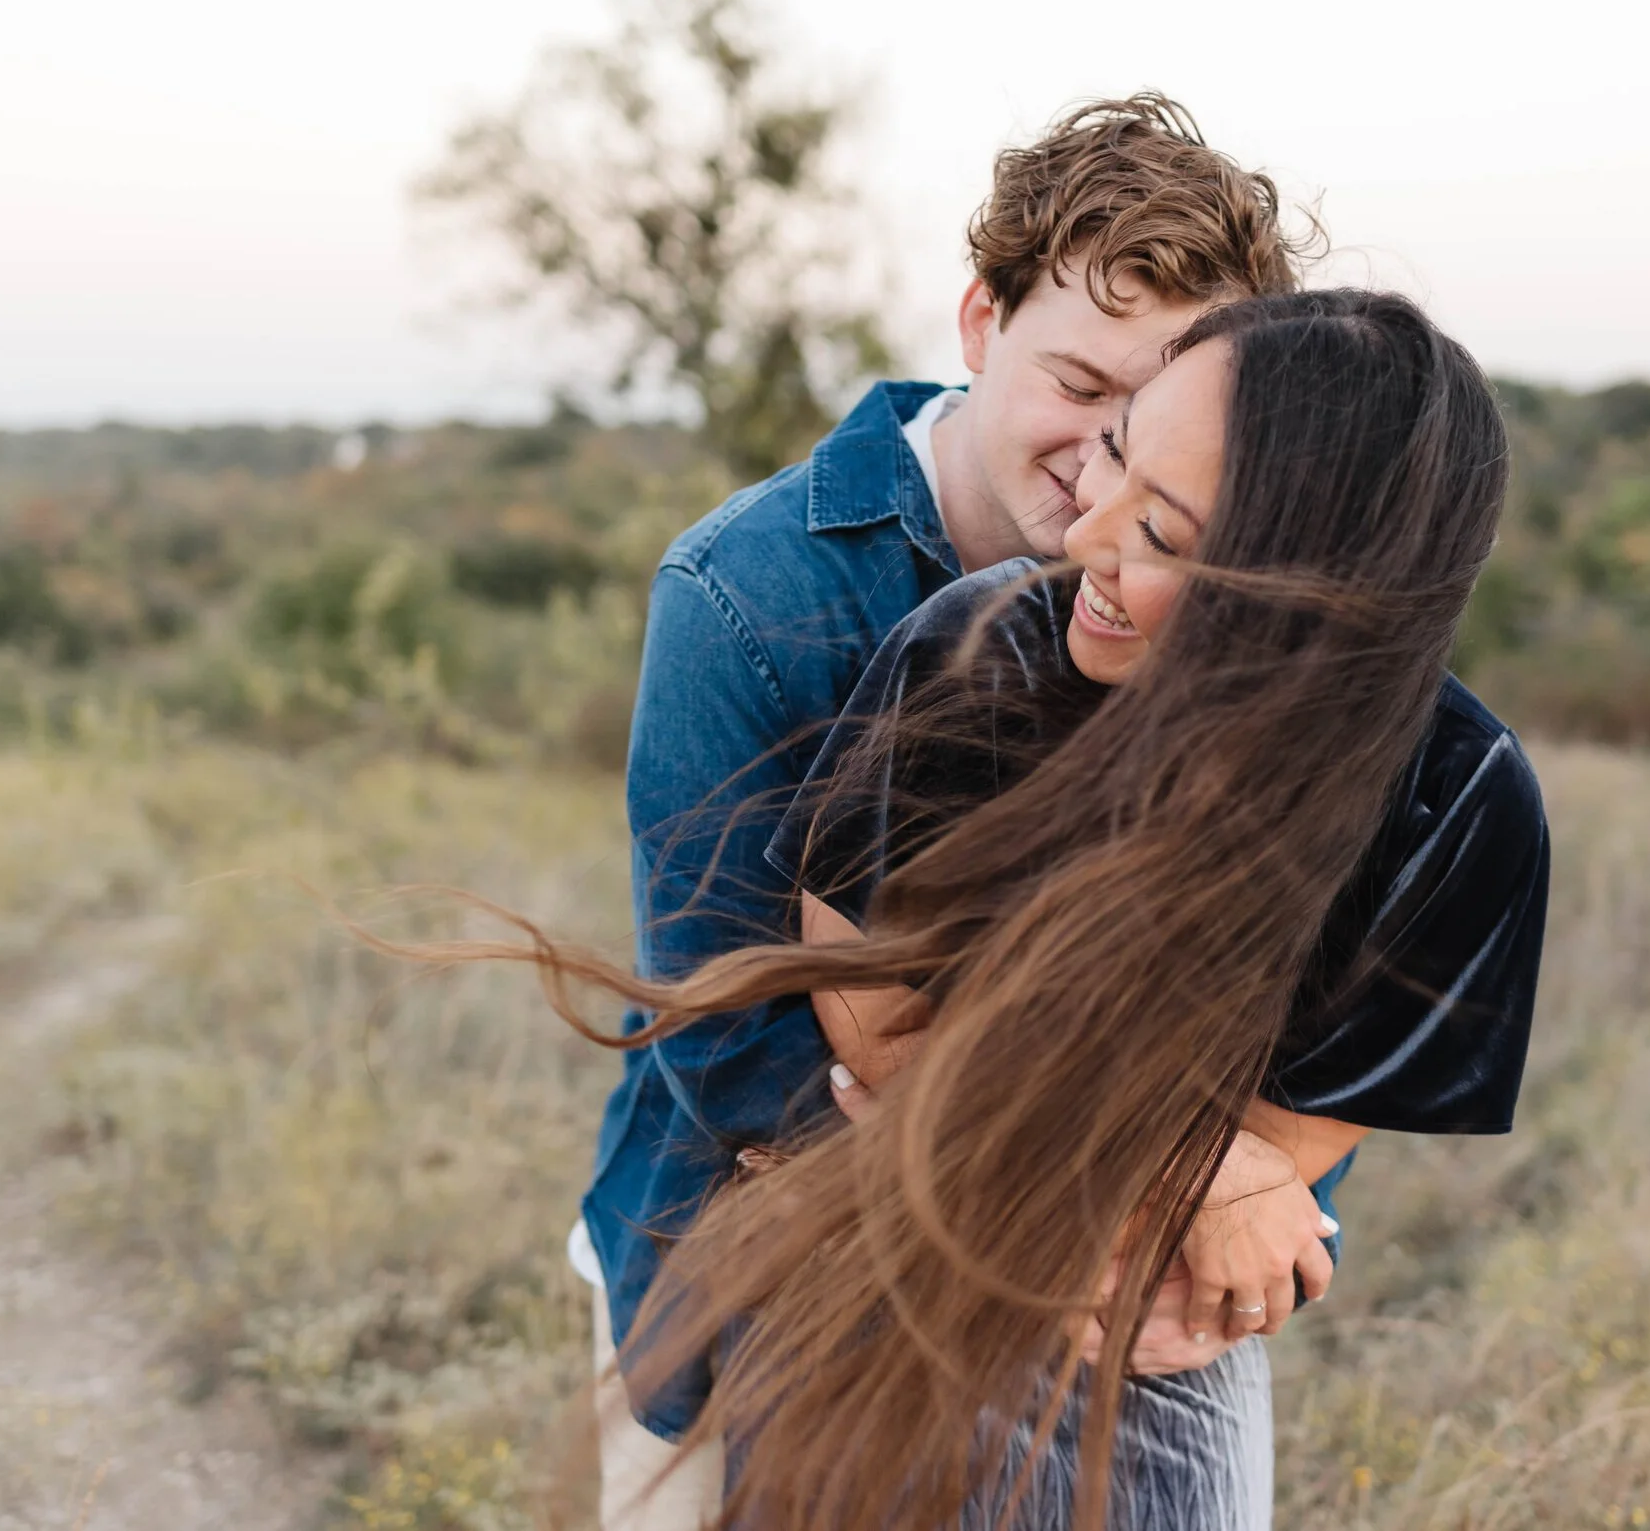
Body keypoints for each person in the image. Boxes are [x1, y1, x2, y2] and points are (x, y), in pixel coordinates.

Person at [513, 288, 1547, 1528]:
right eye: (1113, 449)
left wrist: (1201, 1182)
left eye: (1162, 529)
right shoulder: (971, 644)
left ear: (1306, 600)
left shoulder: (1455, 802)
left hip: (1145, 1327)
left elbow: (1285, 1146)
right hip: (859, 1243)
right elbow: (862, 1018)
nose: (1082, 533)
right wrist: (1187, 1159)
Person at [568, 93, 1312, 1527]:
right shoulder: (751, 592)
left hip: (1099, 1281)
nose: (1111, 454)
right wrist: (1146, 1167)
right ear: (980, 322)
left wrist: (1240, 1196)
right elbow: (739, 1046)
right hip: (750, 1249)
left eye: (1164, 409)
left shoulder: (1221, 605)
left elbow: (1281, 982)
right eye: (1081, 382)